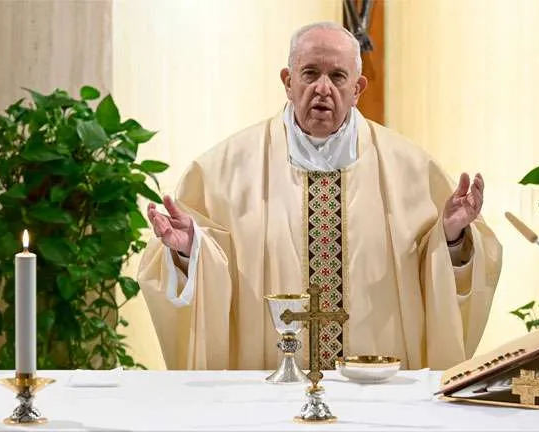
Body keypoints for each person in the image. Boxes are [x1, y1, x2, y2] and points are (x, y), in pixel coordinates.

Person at [138, 21, 502, 370]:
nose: (323, 88)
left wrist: (452, 238)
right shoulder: (223, 171)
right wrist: (189, 251)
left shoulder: (412, 169)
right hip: (267, 386)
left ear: (357, 88)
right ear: (288, 81)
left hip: (374, 387)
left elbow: (442, 279)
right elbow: (198, 279)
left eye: (338, 76)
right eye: (310, 73)